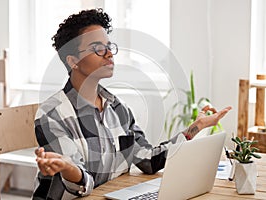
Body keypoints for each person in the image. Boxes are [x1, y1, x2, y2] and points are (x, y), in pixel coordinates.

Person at [33, 8, 232, 199]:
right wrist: (69, 167)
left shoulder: (117, 108)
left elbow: (148, 160)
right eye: (98, 49)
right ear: (73, 60)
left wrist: (196, 127)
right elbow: (82, 186)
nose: (109, 54)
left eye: (109, 47)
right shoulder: (51, 115)